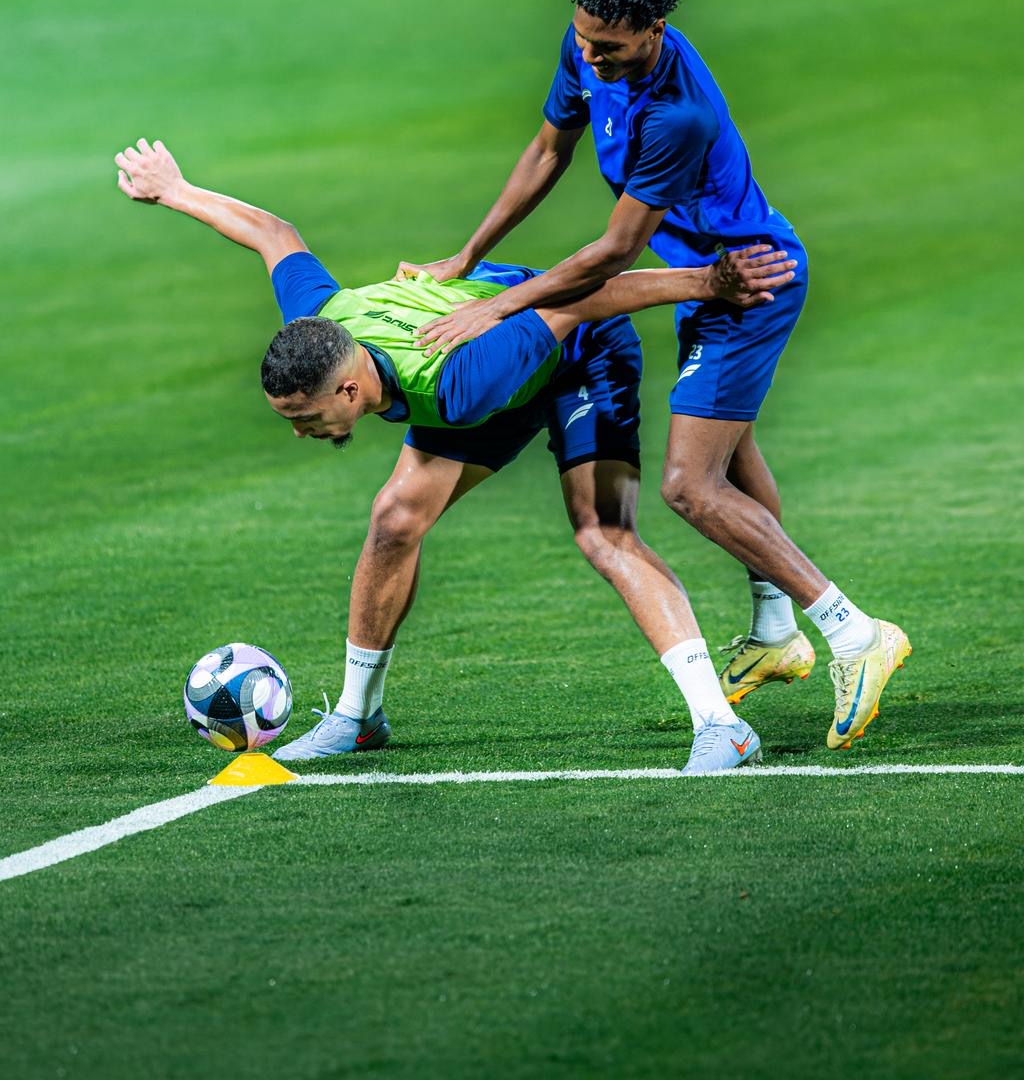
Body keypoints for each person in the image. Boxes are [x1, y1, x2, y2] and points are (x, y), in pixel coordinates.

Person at [115, 138, 795, 773]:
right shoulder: (321, 319)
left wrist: (706, 282)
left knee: (603, 533)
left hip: (577, 351)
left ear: (349, 390)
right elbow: (274, 234)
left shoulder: (457, 383)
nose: (300, 432)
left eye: (306, 417)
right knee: (394, 520)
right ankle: (357, 717)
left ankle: (722, 726)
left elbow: (585, 300)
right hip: (476, 371)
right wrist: (175, 190)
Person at [399, 0, 911, 752]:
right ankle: (776, 632)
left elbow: (612, 252)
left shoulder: (678, 114)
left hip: (746, 284)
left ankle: (854, 633)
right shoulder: (589, 46)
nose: (590, 57)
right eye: (583, 38)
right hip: (699, 278)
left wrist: (499, 307)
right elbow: (546, 150)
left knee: (688, 486)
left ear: (654, 30)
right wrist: (466, 256)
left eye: (608, 46)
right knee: (731, 456)